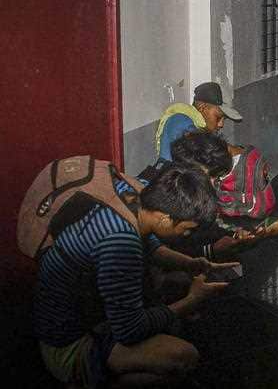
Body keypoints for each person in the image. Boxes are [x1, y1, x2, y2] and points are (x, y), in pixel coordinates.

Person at [34, 165, 236, 388]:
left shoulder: (133, 193)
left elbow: (150, 245)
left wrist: (191, 263)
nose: (187, 234)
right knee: (184, 358)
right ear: (165, 219)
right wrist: (192, 300)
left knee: (178, 280)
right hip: (67, 343)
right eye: (188, 229)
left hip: (82, 310)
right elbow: (130, 330)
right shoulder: (121, 242)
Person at [155, 82, 242, 161]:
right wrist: (242, 152)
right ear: (202, 107)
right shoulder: (179, 121)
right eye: (218, 117)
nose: (221, 124)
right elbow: (210, 149)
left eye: (224, 119)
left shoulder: (195, 123)